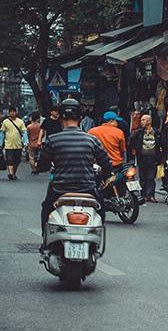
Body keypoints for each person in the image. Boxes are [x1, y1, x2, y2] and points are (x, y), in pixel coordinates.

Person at [37, 99, 112, 247]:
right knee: (101, 210)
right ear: (80, 118)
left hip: (60, 190)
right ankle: (96, 246)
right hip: (88, 189)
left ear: (61, 117)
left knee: (46, 210)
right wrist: (103, 176)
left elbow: (42, 166)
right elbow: (107, 165)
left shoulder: (53, 139)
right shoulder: (91, 140)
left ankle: (45, 242)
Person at [129, 114, 164, 203]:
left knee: (151, 177)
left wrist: (162, 156)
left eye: (143, 120)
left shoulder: (157, 132)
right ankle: (143, 195)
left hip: (153, 159)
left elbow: (163, 144)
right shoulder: (139, 132)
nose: (141, 122)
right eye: (141, 120)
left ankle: (150, 195)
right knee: (142, 177)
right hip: (142, 158)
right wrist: (135, 149)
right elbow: (131, 140)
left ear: (149, 121)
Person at [1, 107, 27, 180]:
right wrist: (0, 143)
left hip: (18, 145)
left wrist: (25, 142)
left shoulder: (20, 122)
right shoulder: (5, 122)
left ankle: (13, 173)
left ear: (16, 113)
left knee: (17, 160)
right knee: (9, 159)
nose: (12, 113)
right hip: (8, 144)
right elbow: (2, 133)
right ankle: (11, 173)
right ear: (9, 113)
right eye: (11, 112)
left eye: (14, 111)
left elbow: (24, 132)